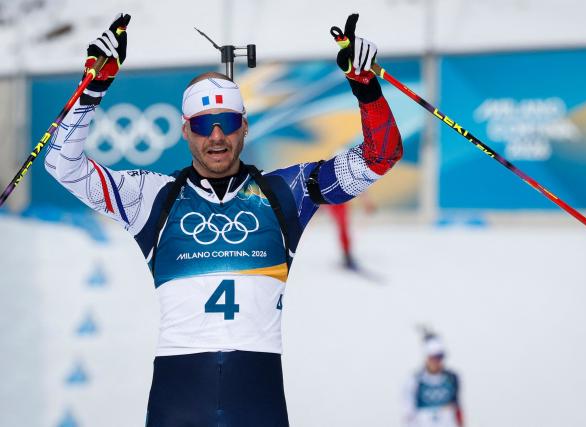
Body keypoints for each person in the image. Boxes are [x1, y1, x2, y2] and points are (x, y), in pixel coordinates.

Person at [45, 12, 402, 427]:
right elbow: (62, 165)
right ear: (185, 131)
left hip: (258, 399)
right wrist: (93, 89)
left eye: (228, 122)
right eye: (203, 125)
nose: (216, 136)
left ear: (245, 127)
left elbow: (380, 156)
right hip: (178, 400)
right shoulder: (151, 196)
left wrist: (366, 88)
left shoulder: (286, 192)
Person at [403, 335, 464, 427]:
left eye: (439, 358)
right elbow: (408, 412)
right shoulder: (415, 380)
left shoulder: (452, 379)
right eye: (433, 358)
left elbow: (457, 408)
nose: (436, 362)